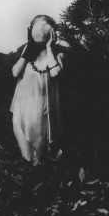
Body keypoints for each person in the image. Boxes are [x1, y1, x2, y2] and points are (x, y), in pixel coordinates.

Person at [10, 15, 65, 162]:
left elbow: (55, 72)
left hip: (45, 114)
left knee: (41, 160)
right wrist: (28, 49)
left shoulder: (57, 52)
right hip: (23, 111)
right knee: (27, 158)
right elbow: (15, 72)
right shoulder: (27, 51)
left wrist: (48, 48)